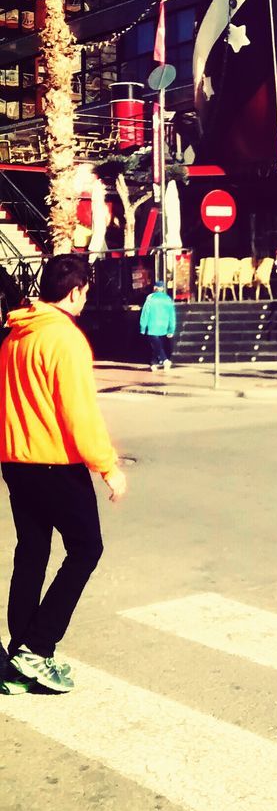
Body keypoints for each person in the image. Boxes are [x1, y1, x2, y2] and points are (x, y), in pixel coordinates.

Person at [0, 255, 126, 695]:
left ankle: (18, 656)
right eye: (86, 293)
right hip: (55, 463)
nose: (85, 300)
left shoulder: (15, 335)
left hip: (16, 462)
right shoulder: (65, 340)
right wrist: (107, 466)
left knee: (32, 551)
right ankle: (38, 647)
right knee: (86, 548)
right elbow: (79, 413)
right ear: (74, 292)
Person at [139, 280, 177, 370]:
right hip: (164, 327)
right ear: (163, 289)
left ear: (154, 288)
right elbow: (172, 315)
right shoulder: (168, 299)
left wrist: (142, 327)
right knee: (158, 345)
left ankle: (165, 360)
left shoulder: (150, 298)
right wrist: (171, 329)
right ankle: (153, 363)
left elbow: (145, 313)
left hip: (152, 327)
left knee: (157, 345)